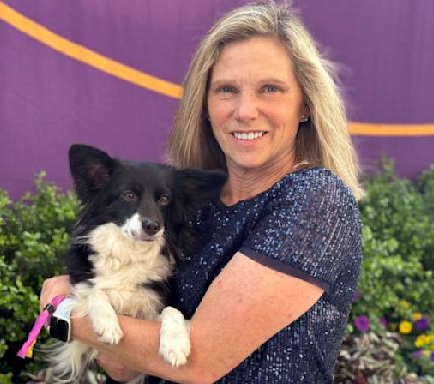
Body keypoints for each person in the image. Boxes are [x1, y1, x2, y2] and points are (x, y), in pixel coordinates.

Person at [40, 1, 363, 382]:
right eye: (227, 90)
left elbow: (200, 360)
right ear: (205, 105)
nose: (245, 110)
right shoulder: (188, 209)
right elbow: (123, 365)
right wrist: (107, 310)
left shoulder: (315, 200)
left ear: (305, 105)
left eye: (270, 89)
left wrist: (63, 311)